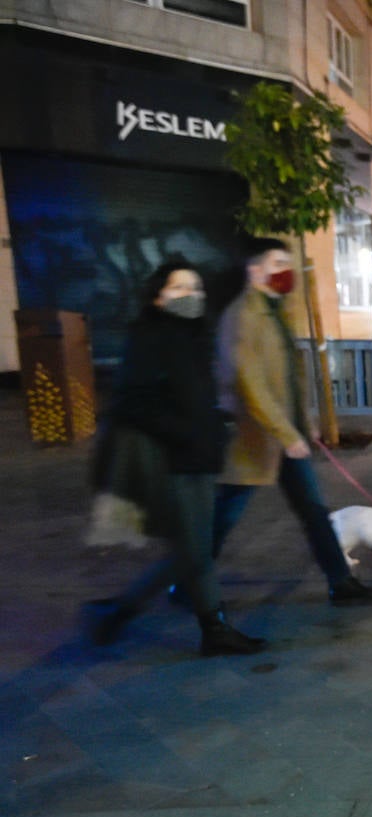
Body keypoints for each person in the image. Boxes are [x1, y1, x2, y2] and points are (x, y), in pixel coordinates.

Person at [83, 259, 266, 656]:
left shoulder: (193, 334)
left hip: (199, 457)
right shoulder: (150, 336)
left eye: (196, 289)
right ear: (158, 296)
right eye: (180, 289)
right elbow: (134, 403)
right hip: (175, 462)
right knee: (194, 552)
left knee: (194, 552)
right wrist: (186, 432)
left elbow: (193, 397)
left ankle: (198, 626)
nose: (191, 296)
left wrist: (217, 423)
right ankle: (130, 612)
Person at [212, 237, 372, 606]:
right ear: (254, 270)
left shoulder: (276, 311)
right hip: (256, 437)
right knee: (222, 518)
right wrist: (287, 432)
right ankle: (186, 579)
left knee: (314, 511)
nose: (285, 271)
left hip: (285, 435)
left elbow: (289, 378)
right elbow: (250, 383)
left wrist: (304, 423)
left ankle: (341, 582)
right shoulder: (242, 316)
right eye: (276, 262)